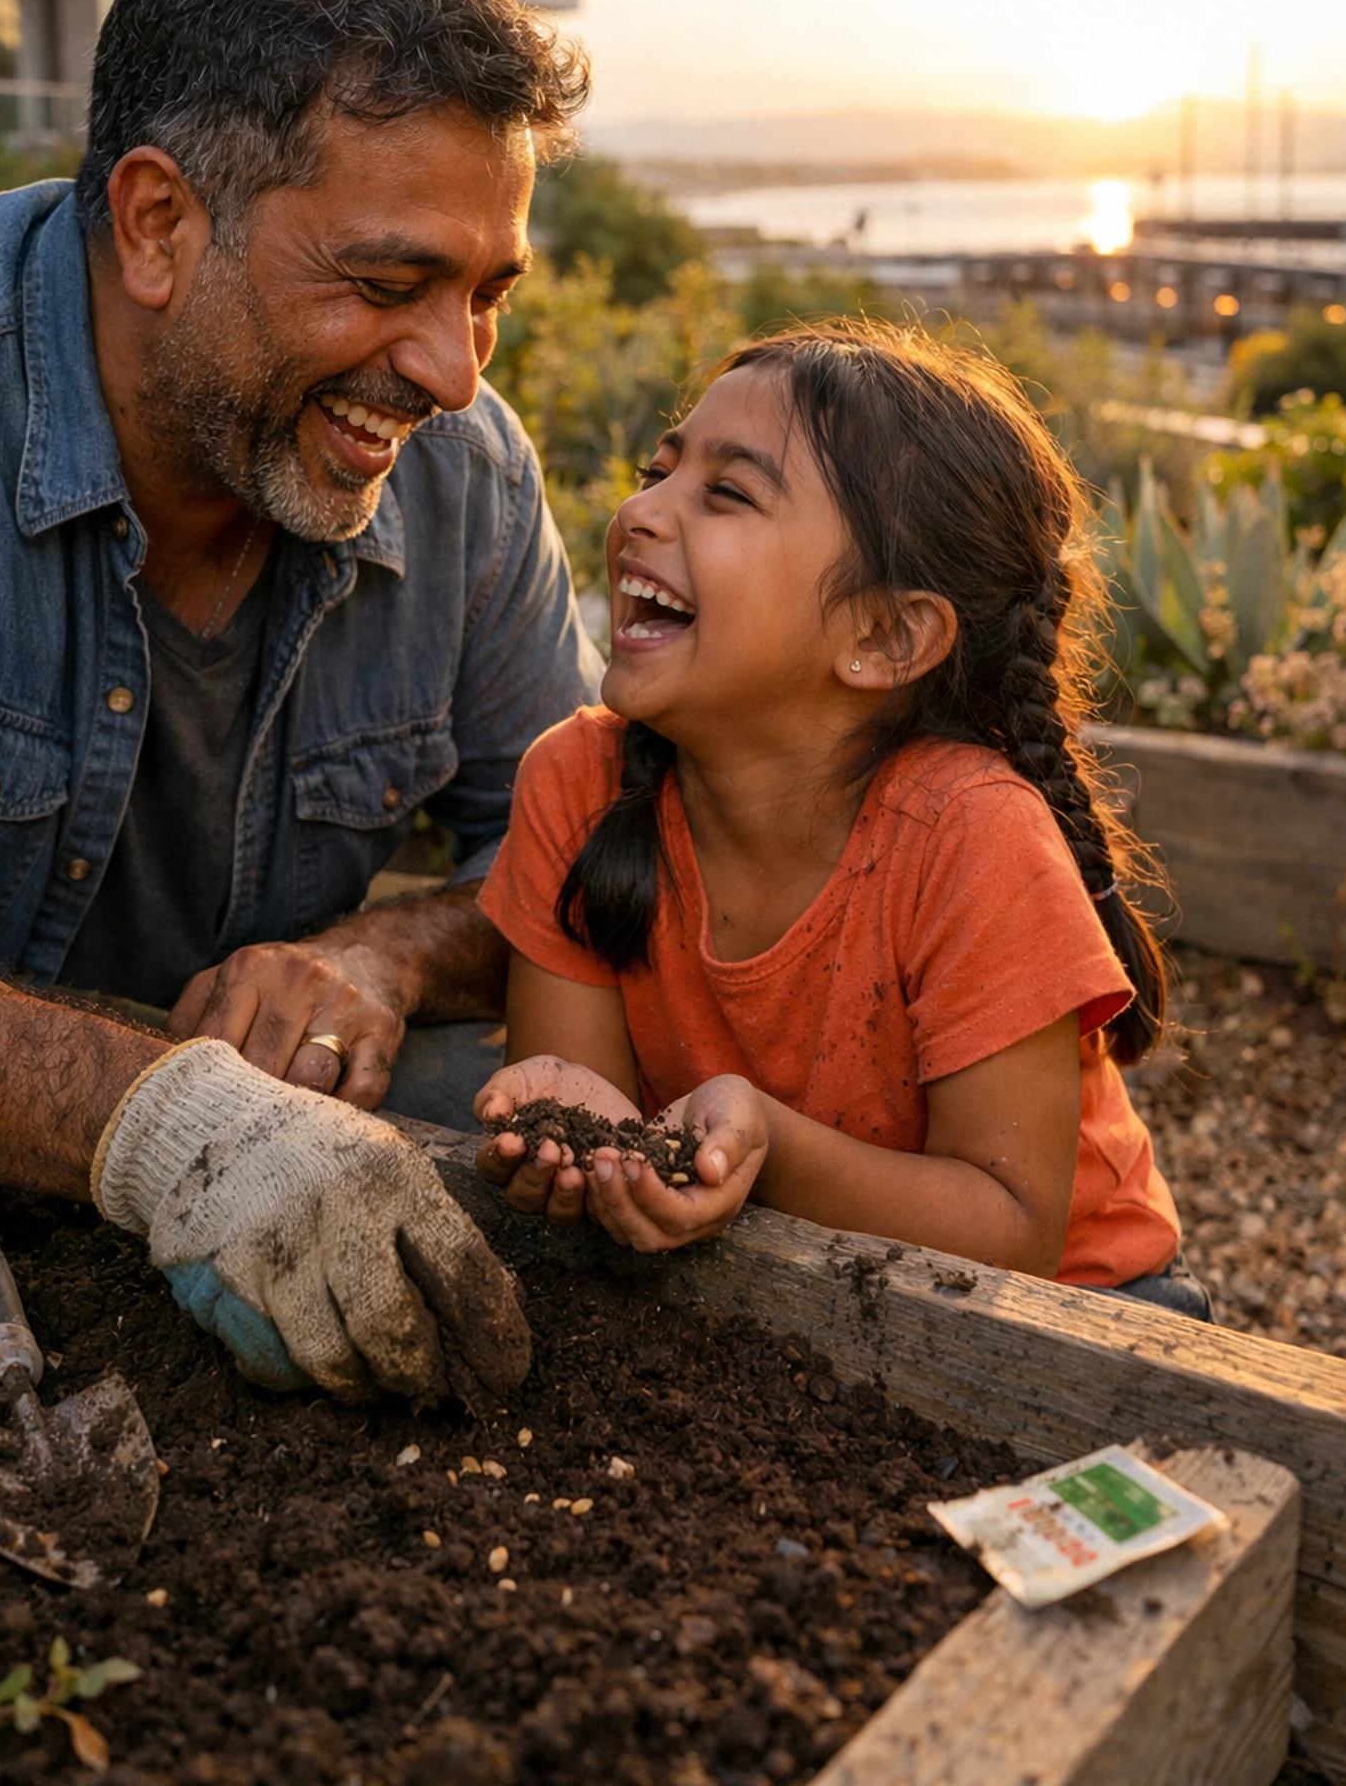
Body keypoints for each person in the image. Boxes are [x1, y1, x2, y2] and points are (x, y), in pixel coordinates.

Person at [0, 0, 605, 1401]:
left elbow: (570, 859)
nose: (451, 372)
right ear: (160, 223)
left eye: (485, 295)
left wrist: (382, 953)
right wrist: (178, 1123)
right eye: (386, 285)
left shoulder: (465, 473)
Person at [475, 322, 1213, 1321]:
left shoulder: (970, 835)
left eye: (726, 492)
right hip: (767, 1282)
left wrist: (765, 1142)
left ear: (885, 635)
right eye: (657, 469)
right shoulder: (578, 780)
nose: (642, 511)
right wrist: (586, 1143)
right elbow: (598, 1120)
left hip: (1079, 1313)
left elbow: (1015, 1230)